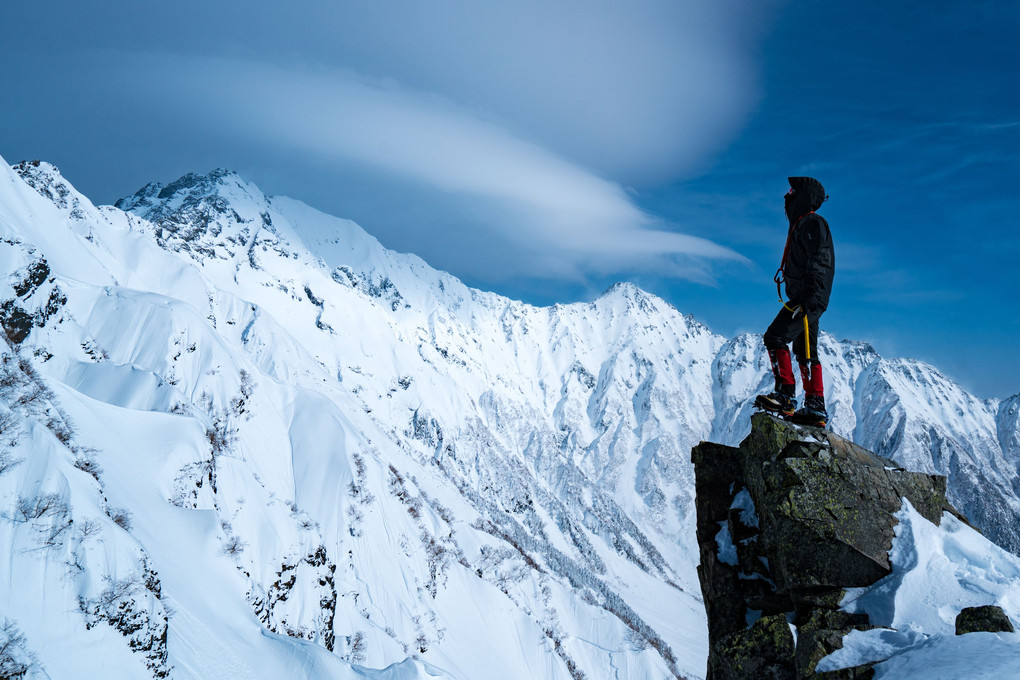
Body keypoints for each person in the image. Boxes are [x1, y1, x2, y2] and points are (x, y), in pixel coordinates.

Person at [755, 176, 835, 426]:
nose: (787, 195)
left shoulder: (812, 222)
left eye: (792, 190)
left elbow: (819, 258)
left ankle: (785, 395)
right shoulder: (804, 223)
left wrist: (810, 293)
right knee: (805, 349)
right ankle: (815, 406)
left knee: (775, 337)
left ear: (803, 196)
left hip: (807, 297)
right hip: (811, 297)